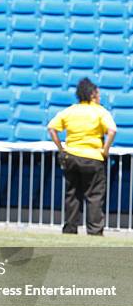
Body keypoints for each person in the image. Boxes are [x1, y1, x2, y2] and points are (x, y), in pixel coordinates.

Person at [48, 77, 116, 235]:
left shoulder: (70, 110)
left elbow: (52, 128)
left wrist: (61, 148)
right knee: (94, 195)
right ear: (92, 94)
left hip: (71, 155)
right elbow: (112, 130)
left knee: (71, 194)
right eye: (98, 94)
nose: (100, 97)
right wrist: (105, 151)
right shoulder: (100, 111)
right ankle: (95, 231)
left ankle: (70, 229)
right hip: (93, 157)